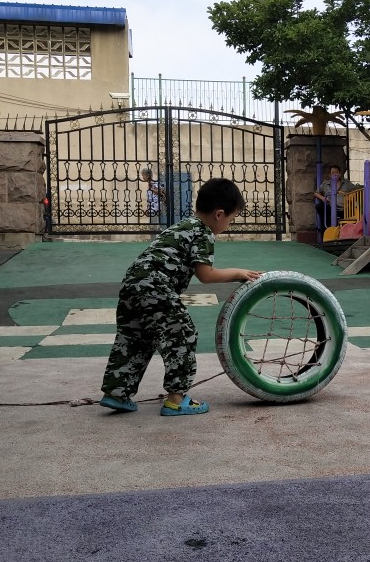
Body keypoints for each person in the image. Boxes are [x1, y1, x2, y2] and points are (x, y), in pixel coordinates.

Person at [100, 177, 262, 416]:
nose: (229, 225)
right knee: (182, 333)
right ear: (219, 214)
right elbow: (206, 274)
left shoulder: (183, 225)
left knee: (134, 337)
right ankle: (176, 399)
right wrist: (238, 273)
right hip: (155, 286)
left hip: (132, 284)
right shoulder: (203, 232)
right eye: (231, 219)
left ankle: (116, 393)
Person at [314, 165, 356, 230]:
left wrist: (350, 197)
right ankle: (326, 230)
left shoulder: (346, 183)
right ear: (330, 175)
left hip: (343, 209)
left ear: (340, 174)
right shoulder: (325, 184)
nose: (334, 175)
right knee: (320, 207)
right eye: (332, 173)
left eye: (336, 172)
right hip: (330, 208)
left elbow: (356, 190)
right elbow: (316, 193)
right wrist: (323, 198)